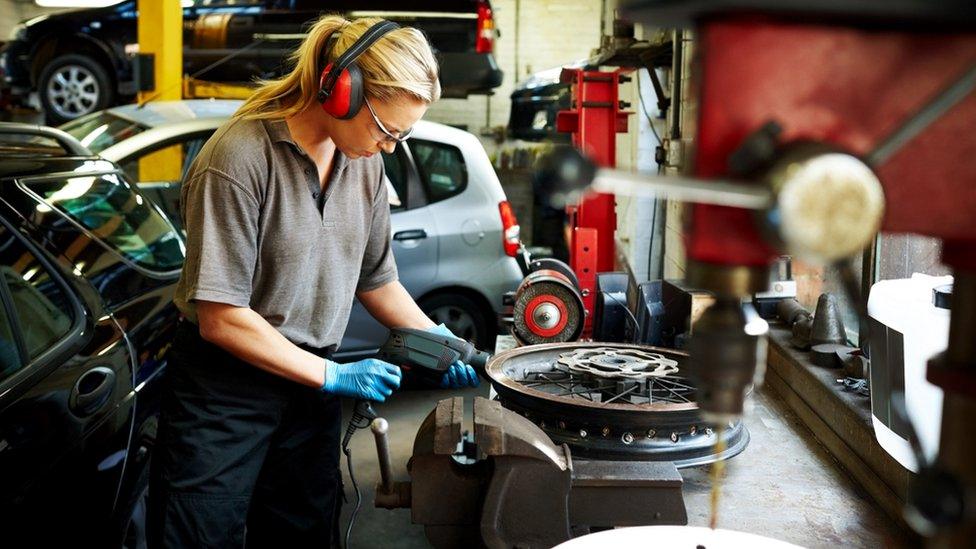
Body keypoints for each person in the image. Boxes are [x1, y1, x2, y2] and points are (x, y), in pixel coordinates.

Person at [147, 15, 479, 548]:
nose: (390, 146)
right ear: (340, 88)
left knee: (302, 532)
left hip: (309, 391)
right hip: (226, 395)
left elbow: (377, 280)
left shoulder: (364, 164)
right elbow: (221, 318)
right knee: (203, 535)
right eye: (385, 129)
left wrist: (442, 344)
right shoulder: (237, 160)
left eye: (403, 135)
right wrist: (333, 375)